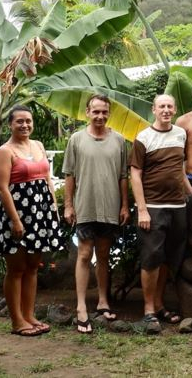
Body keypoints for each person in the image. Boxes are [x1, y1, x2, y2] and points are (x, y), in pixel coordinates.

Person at [0, 105, 64, 336]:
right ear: (10, 124)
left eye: (28, 121)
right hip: (18, 215)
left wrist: (54, 209)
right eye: (19, 121)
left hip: (41, 215)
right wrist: (16, 221)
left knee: (32, 267)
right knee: (16, 269)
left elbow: (47, 180)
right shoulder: (5, 151)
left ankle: (29, 315)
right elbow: (2, 188)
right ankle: (17, 321)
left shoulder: (38, 146)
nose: (25, 125)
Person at [62, 95, 130, 334]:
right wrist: (68, 205)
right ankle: (81, 306)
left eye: (104, 112)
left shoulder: (120, 141)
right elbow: (69, 175)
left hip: (110, 206)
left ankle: (103, 301)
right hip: (85, 206)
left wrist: (124, 205)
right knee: (83, 253)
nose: (100, 116)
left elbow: (124, 176)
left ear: (108, 113)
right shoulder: (76, 139)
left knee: (103, 254)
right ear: (87, 112)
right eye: (96, 111)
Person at [130, 94, 190, 326]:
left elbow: (180, 169)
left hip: (178, 205)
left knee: (167, 257)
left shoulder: (180, 134)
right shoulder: (144, 138)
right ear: (153, 110)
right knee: (151, 258)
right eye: (161, 106)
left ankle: (159, 304)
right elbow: (135, 173)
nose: (165, 110)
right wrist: (142, 210)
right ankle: (148, 310)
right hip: (153, 207)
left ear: (174, 110)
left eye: (169, 106)